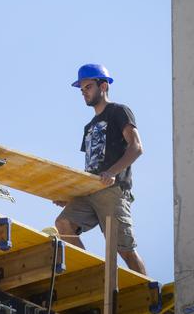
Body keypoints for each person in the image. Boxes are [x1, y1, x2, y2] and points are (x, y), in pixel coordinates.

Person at [54, 63, 147, 275]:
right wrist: (72, 195)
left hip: (112, 191)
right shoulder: (89, 127)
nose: (84, 93)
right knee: (63, 223)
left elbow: (137, 147)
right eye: (82, 89)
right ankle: (95, 277)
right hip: (90, 191)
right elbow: (91, 167)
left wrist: (112, 173)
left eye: (88, 87)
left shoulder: (118, 111)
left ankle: (150, 294)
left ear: (103, 86)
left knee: (124, 250)